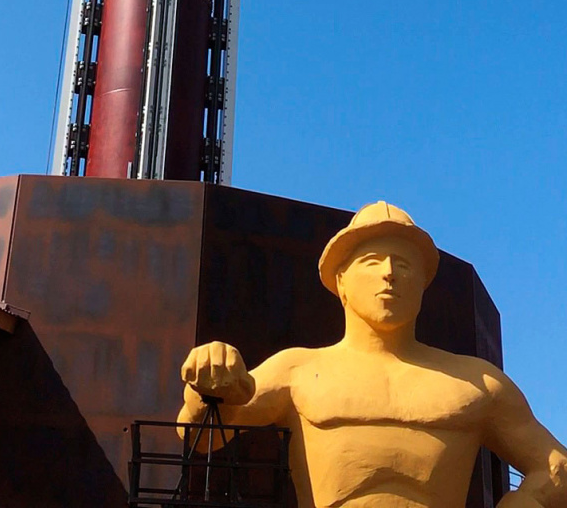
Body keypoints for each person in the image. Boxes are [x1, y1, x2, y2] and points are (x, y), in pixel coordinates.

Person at [178, 202, 567, 508]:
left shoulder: (478, 383)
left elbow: (557, 467)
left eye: (404, 264)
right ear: (342, 283)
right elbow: (199, 437)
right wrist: (207, 382)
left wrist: (527, 501)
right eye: (372, 261)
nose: (389, 273)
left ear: (422, 286)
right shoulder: (298, 370)